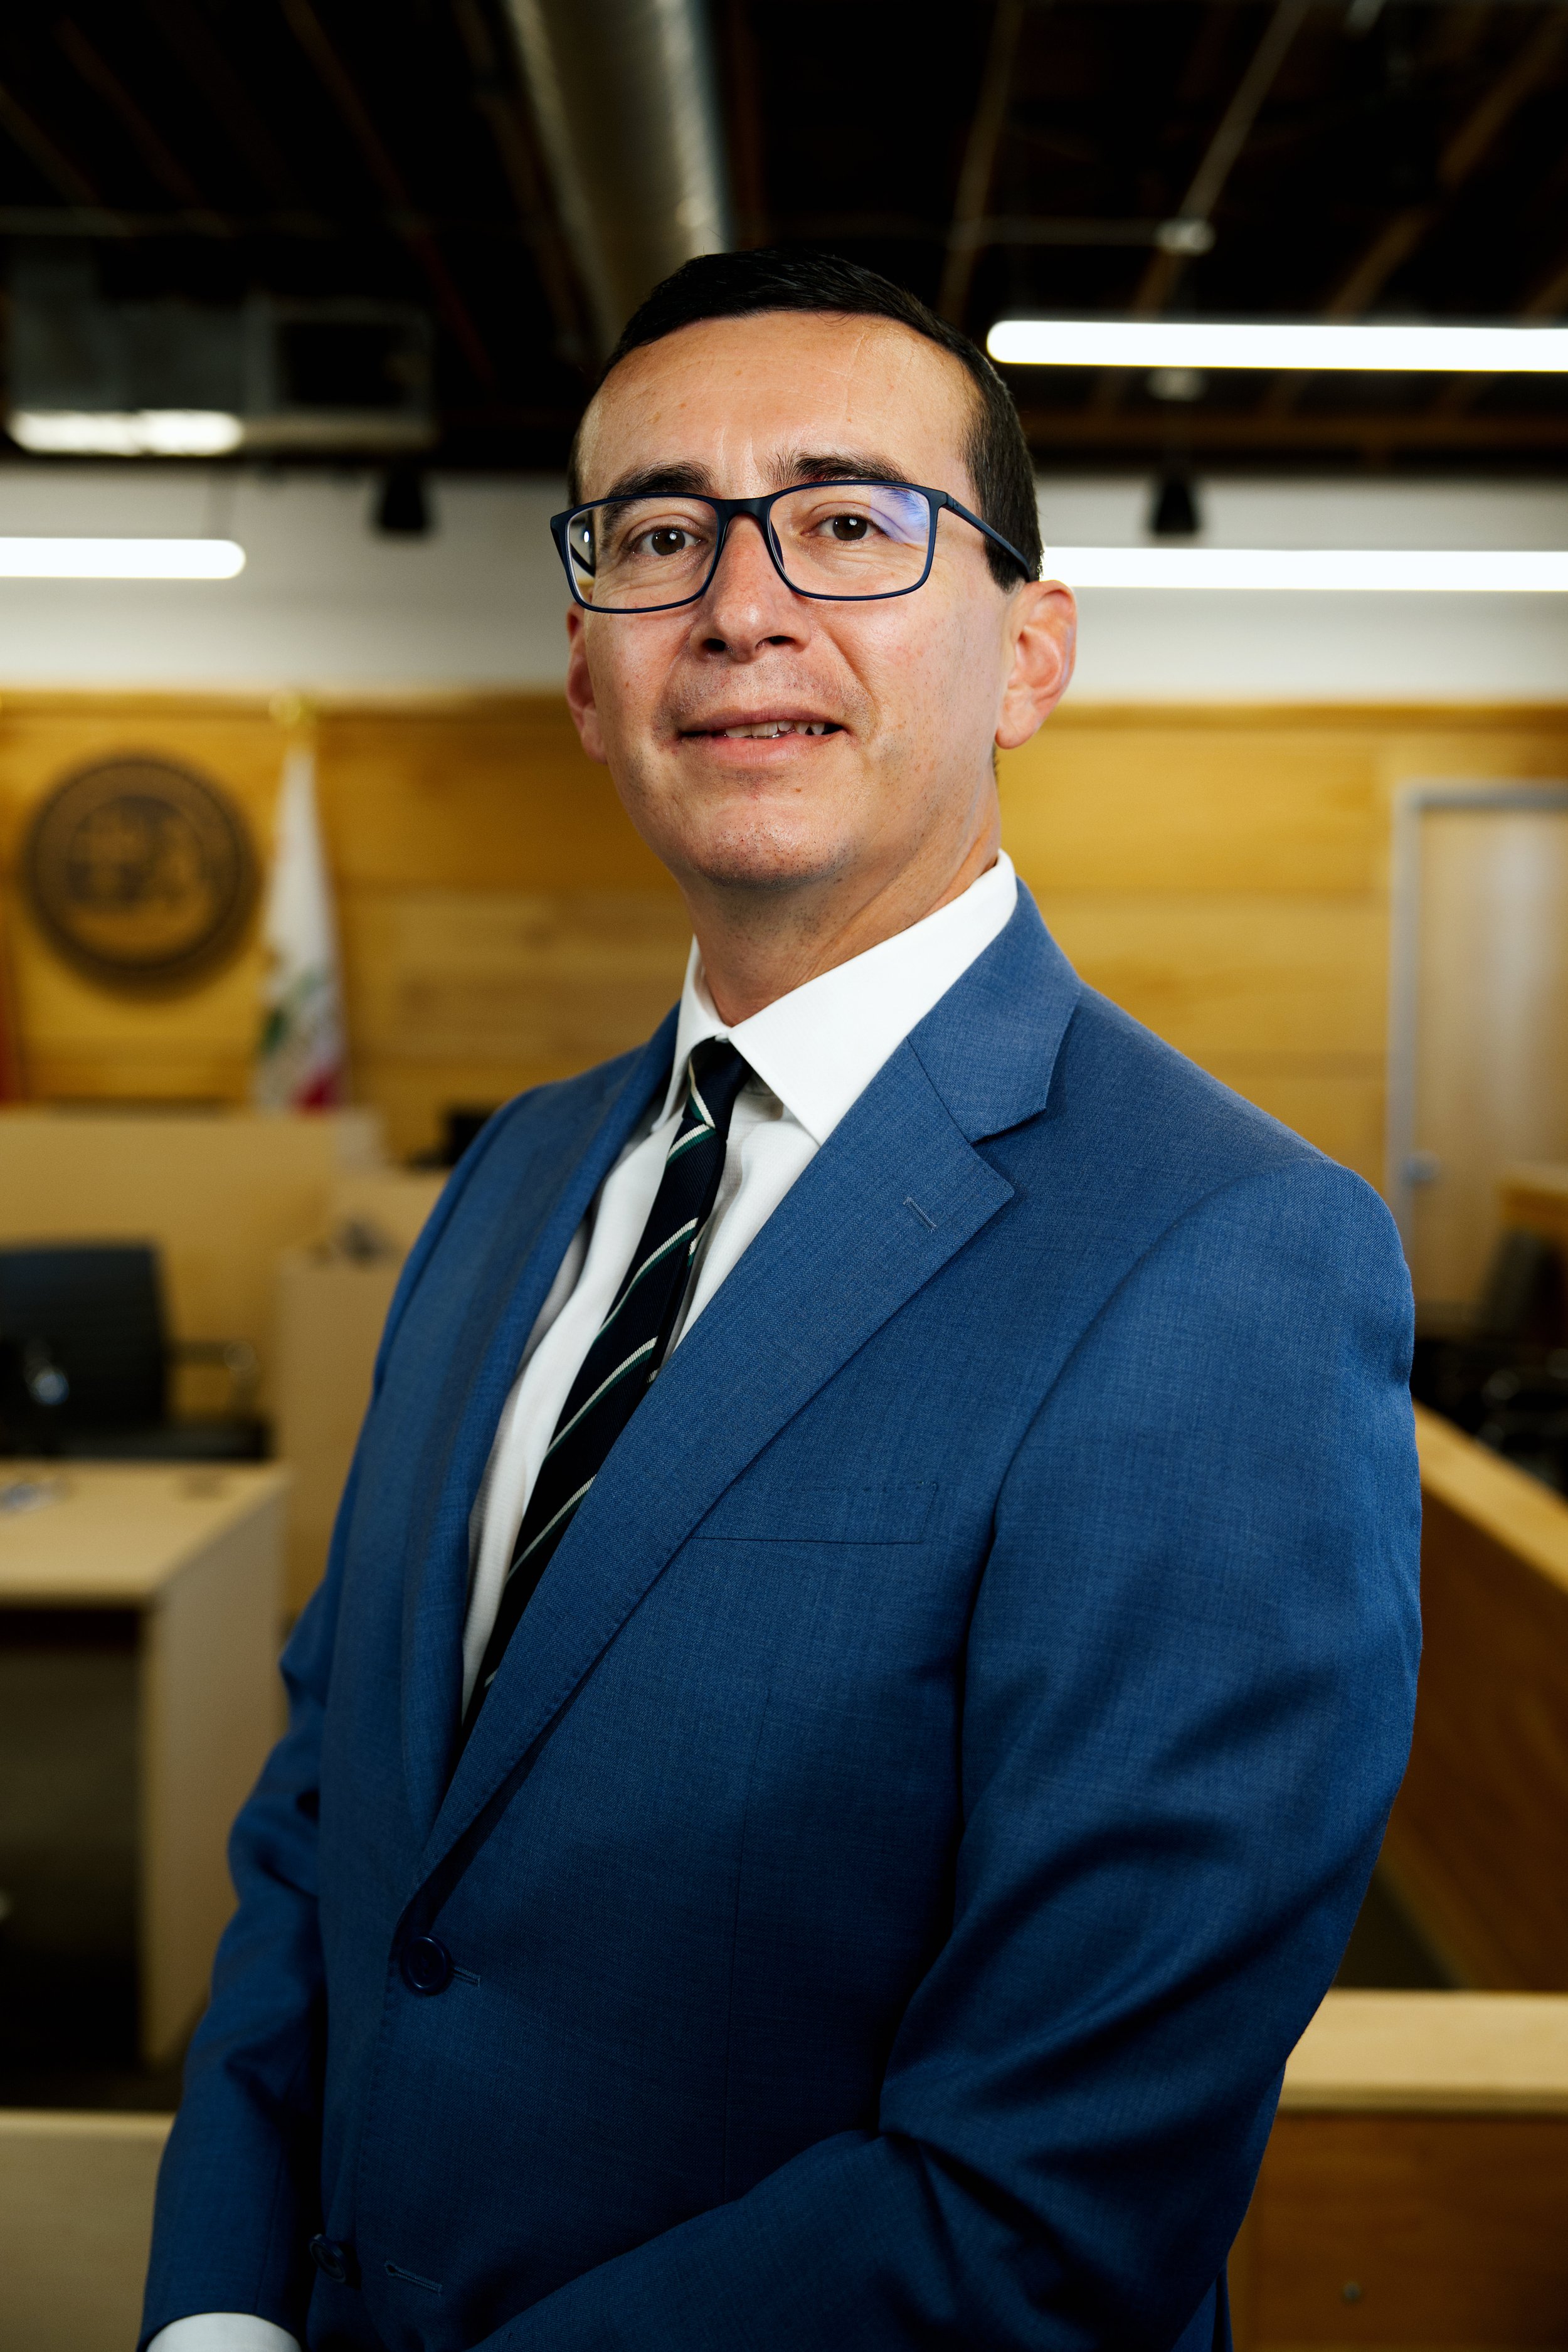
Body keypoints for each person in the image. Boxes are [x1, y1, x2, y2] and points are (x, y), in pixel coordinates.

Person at [142, 250, 1420, 2352]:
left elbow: (1050, 2195)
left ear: (1026, 651)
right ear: (585, 676)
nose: (742, 604)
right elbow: (331, 1829)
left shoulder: (1230, 1261)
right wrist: (215, 2317)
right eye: (658, 535)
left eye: (846, 522)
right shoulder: (513, 1180)